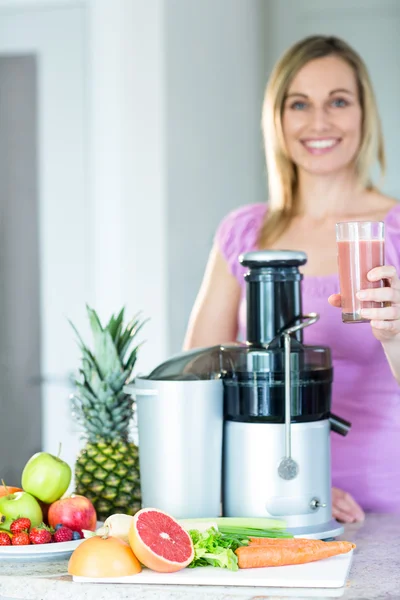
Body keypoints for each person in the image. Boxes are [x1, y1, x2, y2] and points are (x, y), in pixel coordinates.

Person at [183, 35, 400, 523]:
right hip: (266, 503)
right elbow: (197, 380)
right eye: (299, 103)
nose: (319, 122)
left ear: (365, 114)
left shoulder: (394, 232)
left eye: (338, 101)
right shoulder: (244, 232)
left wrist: (395, 335)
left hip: (385, 505)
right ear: (277, 119)